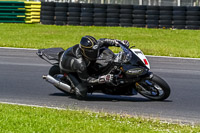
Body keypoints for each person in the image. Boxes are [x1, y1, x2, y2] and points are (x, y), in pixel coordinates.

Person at [59, 35, 129, 99]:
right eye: (91, 52)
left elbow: (103, 41)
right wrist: (102, 79)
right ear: (83, 51)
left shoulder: (93, 46)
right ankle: (72, 86)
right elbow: (87, 80)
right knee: (82, 92)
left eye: (95, 51)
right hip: (67, 67)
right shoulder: (80, 64)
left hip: (81, 63)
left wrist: (119, 43)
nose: (94, 53)